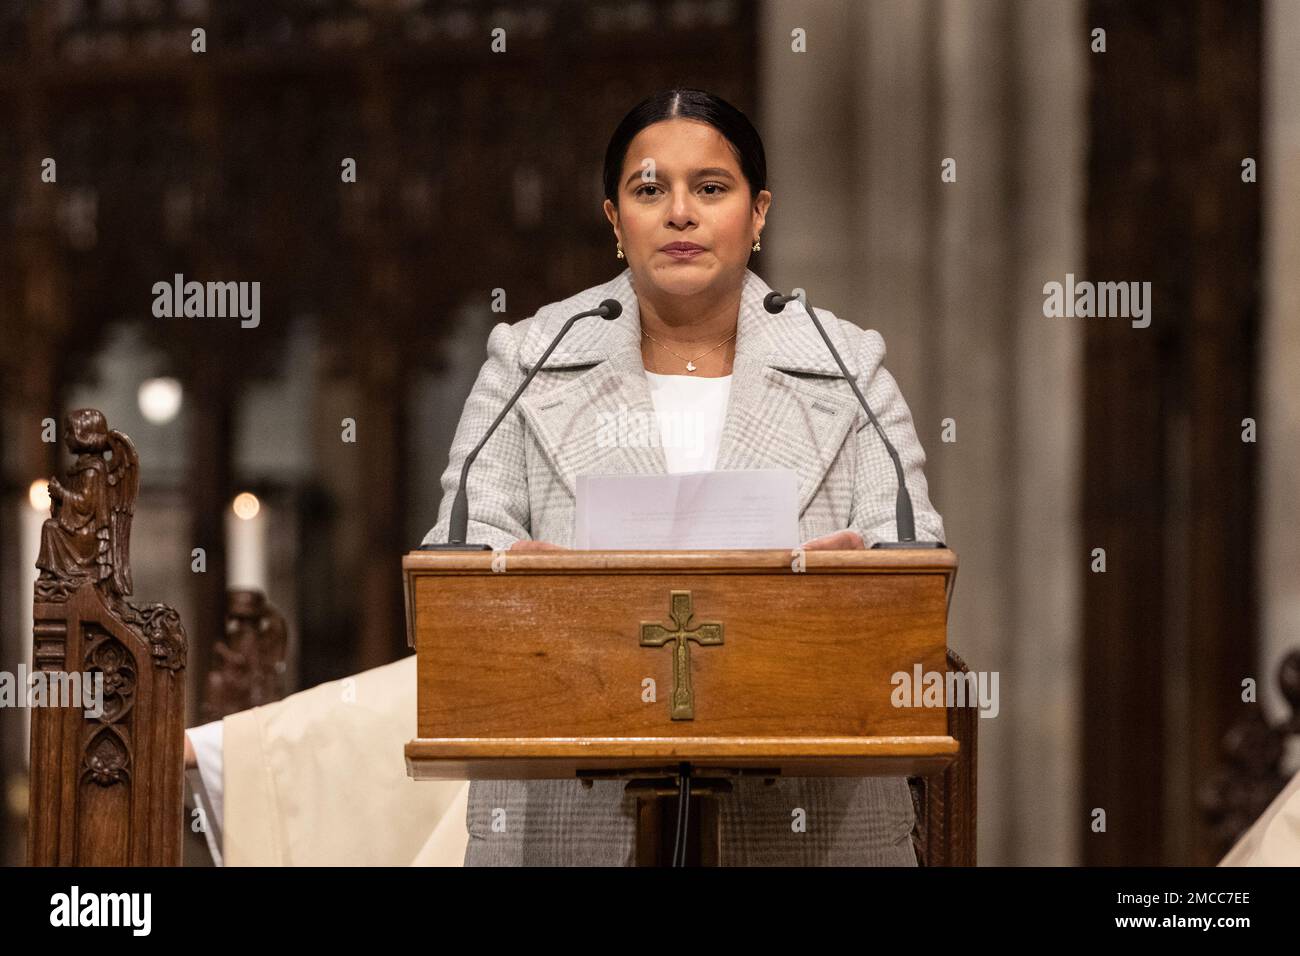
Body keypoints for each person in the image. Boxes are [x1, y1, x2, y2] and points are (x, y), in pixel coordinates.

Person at [186, 87, 945, 866]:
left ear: (758, 212)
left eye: (711, 188)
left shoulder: (846, 365)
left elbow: (914, 586)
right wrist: (532, 590)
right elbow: (455, 581)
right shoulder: (533, 359)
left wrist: (838, 595)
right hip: (569, 830)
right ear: (615, 219)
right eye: (649, 190)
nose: (680, 213)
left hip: (812, 831)